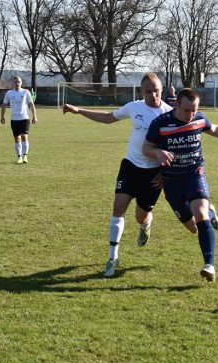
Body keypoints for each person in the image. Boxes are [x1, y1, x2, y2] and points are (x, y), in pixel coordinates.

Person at [62, 73, 176, 278]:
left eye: (156, 90)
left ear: (162, 90)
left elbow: (176, 149)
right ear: (142, 92)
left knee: (140, 216)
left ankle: (146, 224)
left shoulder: (169, 115)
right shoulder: (134, 107)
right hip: (131, 166)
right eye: (148, 91)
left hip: (153, 174)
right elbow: (107, 118)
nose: (153, 95)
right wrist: (78, 110)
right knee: (118, 209)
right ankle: (113, 257)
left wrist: (165, 173)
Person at [142, 88, 218, 282]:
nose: (191, 115)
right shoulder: (160, 123)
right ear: (177, 104)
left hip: (194, 175)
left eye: (194, 110)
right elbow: (146, 147)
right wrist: (158, 152)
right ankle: (211, 212)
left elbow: (216, 129)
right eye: (187, 110)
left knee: (200, 214)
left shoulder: (199, 119)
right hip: (171, 183)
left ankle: (209, 265)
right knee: (194, 228)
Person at [1, 76, 37, 163]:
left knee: (24, 137)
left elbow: (31, 104)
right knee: (17, 139)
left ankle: (25, 156)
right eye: (15, 82)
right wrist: (2, 116)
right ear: (13, 84)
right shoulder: (9, 93)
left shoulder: (26, 92)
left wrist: (34, 116)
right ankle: (19, 157)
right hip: (14, 119)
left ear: (21, 83)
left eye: (18, 82)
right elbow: (4, 105)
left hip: (24, 118)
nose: (17, 83)